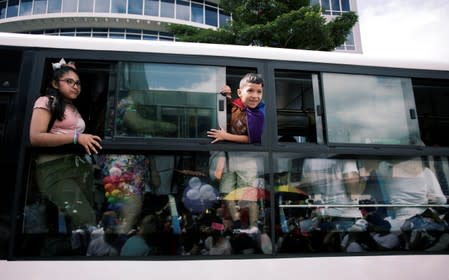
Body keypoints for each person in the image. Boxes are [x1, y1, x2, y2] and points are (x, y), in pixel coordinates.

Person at [29, 59, 102, 230]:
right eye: (69, 82)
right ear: (55, 83)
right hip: (53, 169)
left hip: (76, 168)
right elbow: (35, 137)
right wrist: (76, 138)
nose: (75, 86)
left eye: (77, 83)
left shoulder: (72, 107)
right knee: (86, 217)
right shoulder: (46, 101)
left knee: (81, 221)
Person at [207, 73, 265, 232]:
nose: (255, 96)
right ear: (240, 93)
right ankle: (237, 222)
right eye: (250, 91)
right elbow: (231, 105)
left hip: (247, 159)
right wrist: (226, 94)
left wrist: (225, 136)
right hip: (229, 158)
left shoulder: (258, 114)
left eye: (259, 92)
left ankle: (253, 226)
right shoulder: (237, 104)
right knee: (227, 193)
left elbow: (251, 139)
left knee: (249, 196)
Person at [301, 158, 364, 232]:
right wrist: (364, 178)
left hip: (320, 217)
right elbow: (353, 192)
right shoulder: (346, 156)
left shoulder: (309, 160)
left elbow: (306, 187)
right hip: (345, 217)